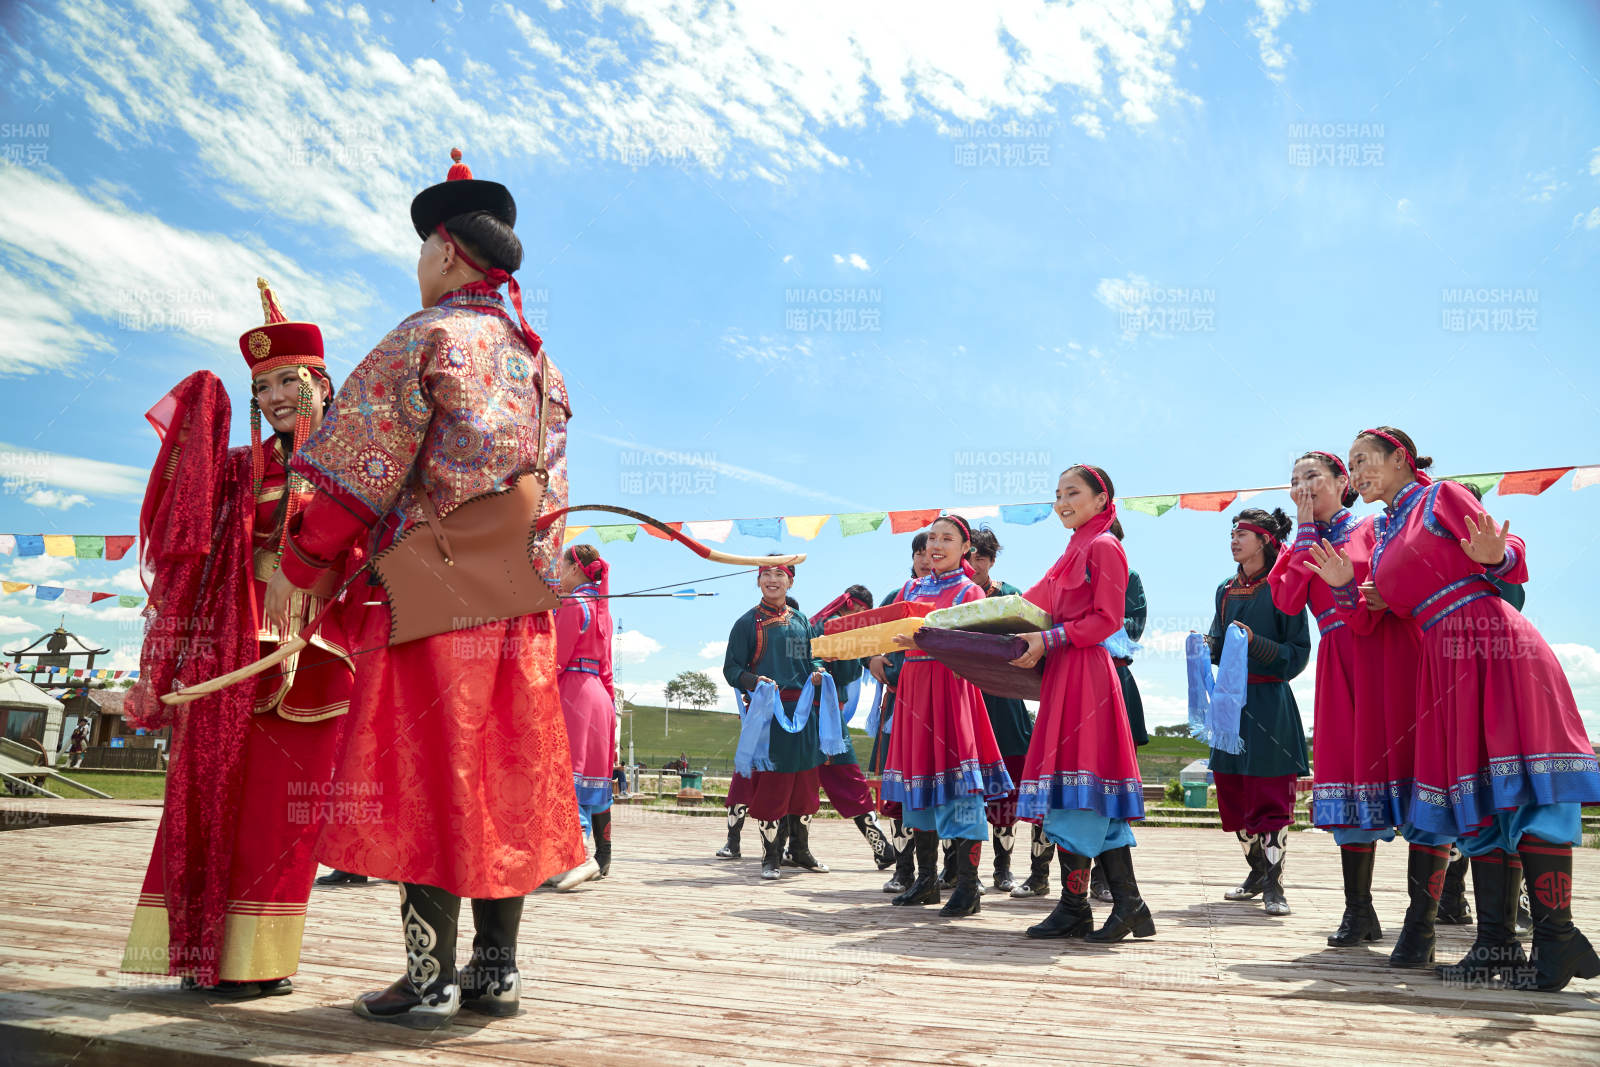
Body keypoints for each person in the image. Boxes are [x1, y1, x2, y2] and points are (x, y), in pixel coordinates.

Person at [268, 150, 585, 1028]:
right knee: (503, 782)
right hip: (518, 604)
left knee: (426, 781)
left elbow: (354, 474)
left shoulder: (429, 337)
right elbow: (550, 505)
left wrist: (299, 566)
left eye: (420, 251)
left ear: (446, 250)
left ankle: (428, 976)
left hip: (433, 598)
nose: (416, 268)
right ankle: (496, 973)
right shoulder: (541, 367)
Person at [120, 279, 355, 999]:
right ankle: (196, 952)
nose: (277, 395)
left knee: (279, 819)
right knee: (205, 792)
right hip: (228, 654)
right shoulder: (235, 472)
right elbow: (185, 541)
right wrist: (200, 414)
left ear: (321, 381)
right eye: (262, 386)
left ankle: (256, 961)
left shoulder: (355, 465)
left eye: (291, 379)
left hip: (313, 656)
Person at [1309, 428, 1599, 991]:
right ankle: (1497, 944)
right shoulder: (1387, 531)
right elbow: (1369, 620)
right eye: (1351, 464)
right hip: (1440, 661)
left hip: (1490, 642)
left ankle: (1557, 940)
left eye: (1365, 460)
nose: (1358, 471)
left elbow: (1506, 552)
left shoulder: (1440, 497)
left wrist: (1499, 555)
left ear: (1401, 459)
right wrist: (1348, 587)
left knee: (1530, 789)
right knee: (1479, 801)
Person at [1009, 466, 1151, 942]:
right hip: (1064, 673)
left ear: (1100, 498)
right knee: (1083, 795)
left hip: (1086, 673)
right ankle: (1121, 906)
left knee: (1079, 788)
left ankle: (1086, 907)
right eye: (1057, 494)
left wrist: (1049, 637)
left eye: (1072, 492)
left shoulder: (1105, 547)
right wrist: (961, 619)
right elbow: (1029, 603)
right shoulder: (1072, 550)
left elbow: (1108, 619)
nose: (1062, 502)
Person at [1270, 450, 1399, 946]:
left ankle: (1442, 902)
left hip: (1384, 651)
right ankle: (1359, 911)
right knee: (1348, 773)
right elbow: (1284, 602)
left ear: (1342, 482)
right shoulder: (1299, 543)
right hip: (1337, 660)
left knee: (1411, 767)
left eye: (1313, 477)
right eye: (1294, 479)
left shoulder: (1373, 526)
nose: (1302, 486)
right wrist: (1303, 532)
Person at [883, 515, 1013, 917]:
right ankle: (925, 881)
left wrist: (928, 639)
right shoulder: (908, 588)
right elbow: (887, 636)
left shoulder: (969, 592)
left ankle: (968, 886)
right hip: (913, 690)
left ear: (965, 548)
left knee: (959, 788)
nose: (937, 545)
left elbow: (977, 647)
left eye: (948, 538)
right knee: (918, 784)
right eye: (932, 538)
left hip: (952, 690)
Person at [1207, 507, 1310, 918]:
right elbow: (1220, 643)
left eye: (1243, 534)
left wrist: (1255, 644)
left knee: (1270, 797)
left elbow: (1298, 655)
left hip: (1270, 703)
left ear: (1265, 540)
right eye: (1232, 533)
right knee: (1232, 795)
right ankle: (1255, 874)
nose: (1234, 540)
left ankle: (1274, 885)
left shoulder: (1284, 588)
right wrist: (1205, 646)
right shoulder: (1225, 590)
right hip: (1230, 706)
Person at [721, 561, 830, 880]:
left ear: (790, 583)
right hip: (769, 716)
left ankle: (800, 851)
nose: (772, 580)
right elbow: (732, 670)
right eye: (766, 575)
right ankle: (770, 857)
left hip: (803, 713)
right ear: (758, 582)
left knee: (806, 785)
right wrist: (754, 682)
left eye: (779, 574)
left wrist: (819, 670)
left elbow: (813, 656)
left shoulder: (801, 621)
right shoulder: (745, 623)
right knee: (772, 785)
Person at [807, 585, 897, 870]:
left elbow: (862, 654)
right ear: (846, 605)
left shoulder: (856, 631)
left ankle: (880, 847)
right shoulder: (822, 625)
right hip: (809, 712)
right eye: (856, 610)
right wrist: (819, 667)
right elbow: (812, 653)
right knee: (799, 780)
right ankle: (793, 848)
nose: (858, 615)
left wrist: (872, 658)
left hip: (833, 715)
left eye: (862, 613)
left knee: (848, 777)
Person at [965, 527, 1033, 894]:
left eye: (982, 557)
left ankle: (1002, 867)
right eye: (969, 556)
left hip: (1005, 703)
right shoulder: (951, 596)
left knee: (1006, 789)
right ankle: (961, 870)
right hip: (962, 697)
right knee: (962, 786)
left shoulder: (1010, 596)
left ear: (991, 560)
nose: (974, 563)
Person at [864, 532, 932, 894]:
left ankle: (946, 873)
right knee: (900, 791)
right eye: (919, 551)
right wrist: (871, 656)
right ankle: (904, 871)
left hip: (939, 705)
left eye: (932, 550)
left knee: (941, 787)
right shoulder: (897, 596)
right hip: (899, 705)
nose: (925, 557)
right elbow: (865, 639)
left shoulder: (954, 596)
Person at [552, 545, 617, 882]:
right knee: (589, 775)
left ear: (574, 569)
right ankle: (591, 853)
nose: (557, 573)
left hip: (573, 691)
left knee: (566, 773)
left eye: (560, 566)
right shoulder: (600, 608)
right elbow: (606, 669)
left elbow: (556, 660)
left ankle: (575, 856)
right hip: (600, 698)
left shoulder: (571, 604)